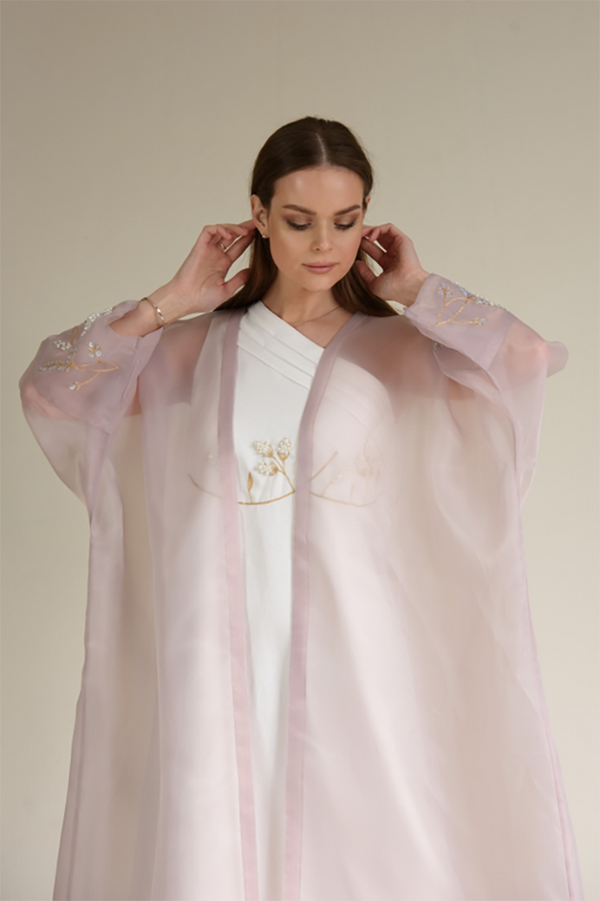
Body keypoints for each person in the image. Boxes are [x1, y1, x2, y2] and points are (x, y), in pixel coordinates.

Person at [19, 116, 583, 901]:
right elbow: (54, 386)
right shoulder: (189, 354)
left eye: (346, 222)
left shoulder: (402, 352)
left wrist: (418, 291)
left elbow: (523, 359)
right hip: (222, 647)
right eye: (298, 220)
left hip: (361, 652)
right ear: (257, 214)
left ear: (368, 220)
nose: (325, 244)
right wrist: (171, 301)